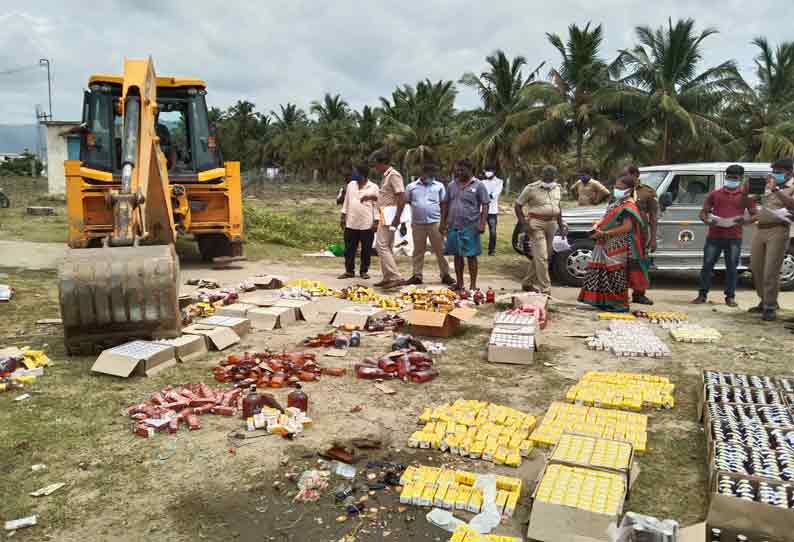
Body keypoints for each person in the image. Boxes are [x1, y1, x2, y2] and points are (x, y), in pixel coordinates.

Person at [578, 176, 650, 312]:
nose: (616, 190)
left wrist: (605, 234)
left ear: (629, 190)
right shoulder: (617, 203)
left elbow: (627, 227)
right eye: (616, 187)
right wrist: (598, 224)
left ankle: (619, 303)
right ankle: (603, 301)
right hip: (605, 242)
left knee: (615, 273)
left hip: (618, 245)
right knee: (602, 271)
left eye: (620, 188)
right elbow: (606, 217)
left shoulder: (629, 206)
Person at [691, 165, 757, 307]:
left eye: (735, 178)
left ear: (741, 178)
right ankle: (702, 295)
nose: (731, 180)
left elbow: (755, 215)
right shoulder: (715, 194)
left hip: (734, 237)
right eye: (729, 177)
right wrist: (707, 220)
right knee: (707, 266)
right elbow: (703, 212)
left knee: (732, 267)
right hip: (714, 236)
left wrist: (744, 221)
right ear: (725, 177)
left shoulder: (746, 197)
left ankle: (730, 297)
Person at [749, 158, 794, 321]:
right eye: (774, 171)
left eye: (779, 171)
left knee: (771, 270)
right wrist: (751, 193)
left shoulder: (789, 186)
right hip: (760, 228)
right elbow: (754, 203)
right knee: (756, 267)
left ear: (789, 172)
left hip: (778, 229)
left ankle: (770, 306)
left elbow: (792, 205)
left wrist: (775, 189)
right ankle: (763, 300)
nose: (775, 174)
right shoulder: (768, 185)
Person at [514, 165, 567, 294]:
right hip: (536, 224)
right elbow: (518, 205)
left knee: (543, 256)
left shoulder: (557, 188)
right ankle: (546, 288)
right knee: (542, 256)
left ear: (555, 177)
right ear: (541, 176)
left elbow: (558, 207)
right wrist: (524, 224)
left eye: (551, 177)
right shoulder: (531, 188)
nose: (549, 180)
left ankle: (527, 283)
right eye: (546, 177)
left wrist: (561, 225)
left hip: (552, 224)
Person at [441, 159, 489, 291]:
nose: (459, 172)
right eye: (457, 170)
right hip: (453, 226)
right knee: (457, 255)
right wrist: (442, 223)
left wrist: (482, 224)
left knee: (471, 256)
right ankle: (459, 283)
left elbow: (485, 204)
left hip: (471, 226)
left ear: (470, 170)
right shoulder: (451, 185)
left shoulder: (479, 185)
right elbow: (445, 204)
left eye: (462, 170)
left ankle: (473, 285)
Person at [404, 162, 455, 286]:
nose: (431, 177)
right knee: (418, 250)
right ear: (422, 174)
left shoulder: (439, 186)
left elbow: (443, 204)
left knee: (441, 250)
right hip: (417, 224)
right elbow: (407, 202)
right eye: (428, 174)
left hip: (435, 223)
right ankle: (417, 275)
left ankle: (445, 274)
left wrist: (444, 222)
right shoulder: (411, 187)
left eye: (433, 175)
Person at [364, 149, 406, 289]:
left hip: (391, 214)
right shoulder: (386, 176)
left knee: (381, 245)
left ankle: (395, 276)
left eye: (376, 164)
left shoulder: (394, 175)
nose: (375, 168)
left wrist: (397, 217)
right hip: (385, 213)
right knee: (385, 246)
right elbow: (388, 196)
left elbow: (401, 197)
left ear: (383, 163)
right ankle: (387, 277)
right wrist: (372, 197)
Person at [338, 163, 379, 280]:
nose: (353, 174)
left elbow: (377, 205)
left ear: (362, 175)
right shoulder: (351, 185)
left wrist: (376, 222)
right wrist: (343, 216)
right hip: (351, 222)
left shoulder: (373, 187)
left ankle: (364, 271)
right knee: (349, 249)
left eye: (356, 172)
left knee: (366, 249)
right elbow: (346, 201)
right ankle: (349, 271)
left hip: (367, 223)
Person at [624, 164, 657, 305]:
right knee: (621, 264)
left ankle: (639, 294)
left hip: (640, 235)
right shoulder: (620, 190)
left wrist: (653, 238)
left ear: (635, 175)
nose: (624, 177)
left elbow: (654, 216)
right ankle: (620, 294)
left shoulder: (647, 192)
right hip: (621, 233)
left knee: (640, 264)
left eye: (626, 174)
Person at [481, 166, 504, 255]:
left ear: (494, 171)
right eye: (486, 171)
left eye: (489, 170)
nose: (487, 173)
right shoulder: (482, 182)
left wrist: (485, 197)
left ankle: (491, 251)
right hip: (481, 210)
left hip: (492, 211)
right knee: (476, 230)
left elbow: (494, 194)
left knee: (493, 231)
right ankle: (476, 248)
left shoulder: (499, 182)